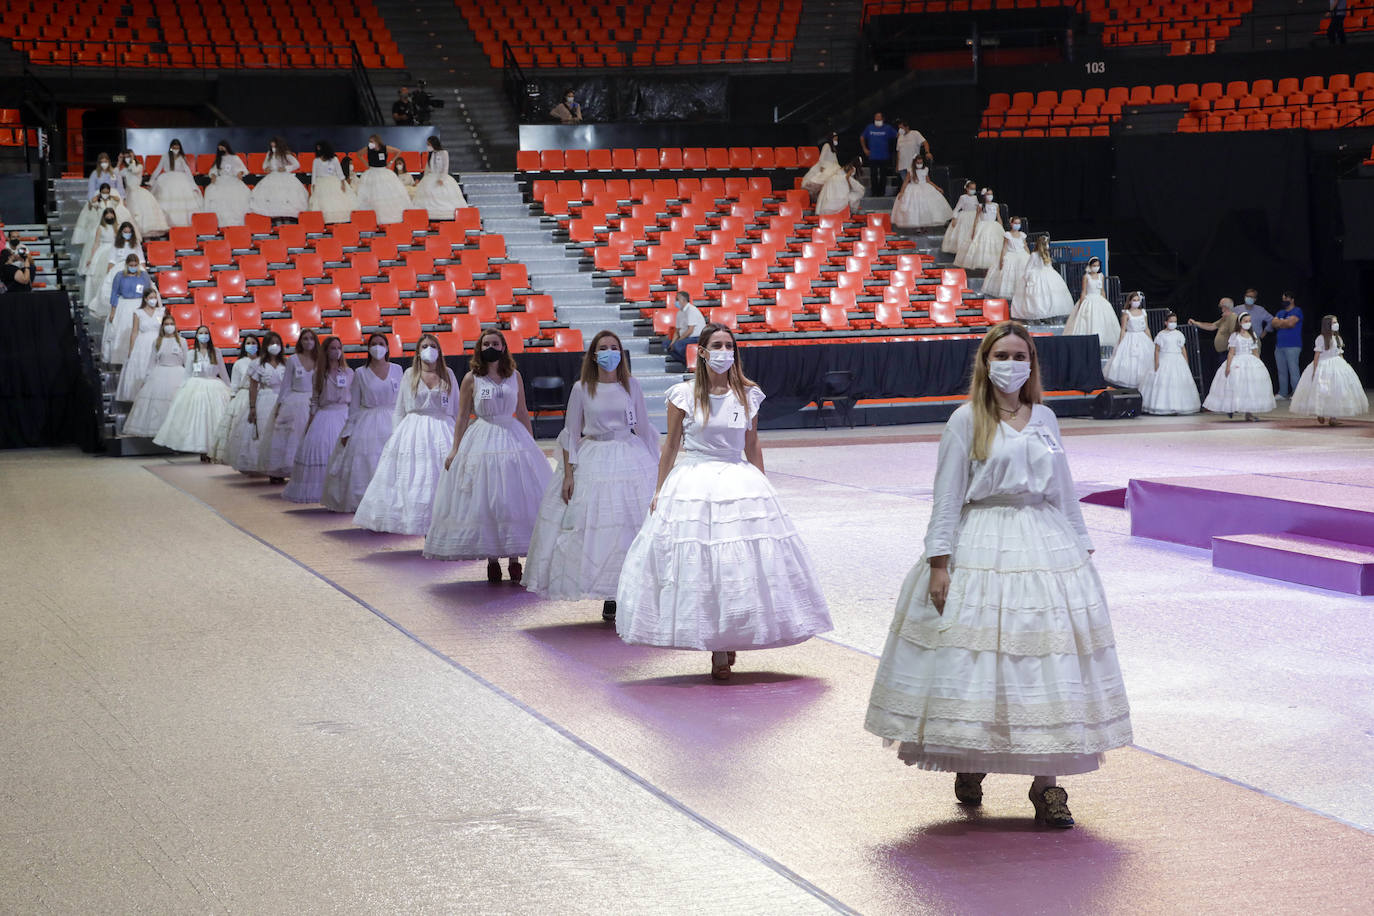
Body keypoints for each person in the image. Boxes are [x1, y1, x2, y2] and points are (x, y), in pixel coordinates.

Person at [864, 321, 1132, 829]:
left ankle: (1047, 786)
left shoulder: (1046, 418)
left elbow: (1063, 489)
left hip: (1044, 543)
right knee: (979, 657)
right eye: (1003, 354)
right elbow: (947, 495)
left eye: (1021, 355)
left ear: (1032, 363)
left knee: (1046, 661)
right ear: (986, 362)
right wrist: (938, 563)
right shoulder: (966, 420)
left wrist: (1081, 548)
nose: (1012, 364)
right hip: (982, 537)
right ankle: (972, 758)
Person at [616, 323, 833, 681]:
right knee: (704, 563)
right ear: (701, 351)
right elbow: (670, 446)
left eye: (729, 345)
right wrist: (658, 489)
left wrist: (762, 486)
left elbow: (752, 444)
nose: (723, 352)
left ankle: (731, 633)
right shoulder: (682, 395)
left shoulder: (748, 395)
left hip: (737, 477)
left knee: (738, 565)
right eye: (716, 345)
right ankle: (717, 645)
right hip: (695, 480)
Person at [524, 331, 660, 619]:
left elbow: (645, 427)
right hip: (594, 456)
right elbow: (571, 433)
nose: (609, 352)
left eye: (614, 347)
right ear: (593, 355)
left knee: (629, 525)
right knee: (599, 527)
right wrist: (569, 475)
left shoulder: (631, 385)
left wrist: (657, 467)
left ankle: (626, 590)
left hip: (629, 455)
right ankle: (607, 592)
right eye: (603, 348)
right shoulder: (581, 388)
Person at [424, 329, 551, 583]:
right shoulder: (472, 378)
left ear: (504, 347)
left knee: (513, 496)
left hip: (512, 435)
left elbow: (523, 411)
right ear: (479, 348)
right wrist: (455, 448)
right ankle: (493, 558)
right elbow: (461, 416)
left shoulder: (514, 376)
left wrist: (532, 444)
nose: (491, 346)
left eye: (495, 343)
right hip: (482, 435)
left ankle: (515, 557)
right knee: (487, 497)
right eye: (486, 343)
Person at [353, 334, 460, 535]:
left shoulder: (449, 374)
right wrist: (396, 437)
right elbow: (399, 409)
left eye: (433, 346)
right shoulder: (410, 374)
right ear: (418, 352)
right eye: (425, 346)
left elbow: (455, 408)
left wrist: (458, 438)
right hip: (413, 431)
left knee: (441, 478)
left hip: (442, 429)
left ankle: (441, 527)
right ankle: (423, 526)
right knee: (416, 479)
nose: (429, 349)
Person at [321, 333, 403, 513]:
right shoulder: (360, 372)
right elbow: (355, 406)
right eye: (373, 344)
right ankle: (368, 503)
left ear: (388, 347)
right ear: (368, 348)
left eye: (381, 344)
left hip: (393, 420)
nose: (377, 347)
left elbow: (402, 400)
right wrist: (348, 431)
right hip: (368, 423)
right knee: (367, 463)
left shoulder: (397, 369)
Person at [283, 336, 352, 503]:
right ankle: (321, 490)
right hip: (325, 416)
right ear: (326, 351)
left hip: (344, 414)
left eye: (338, 348)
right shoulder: (318, 373)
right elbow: (315, 399)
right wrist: (310, 422)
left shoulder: (350, 373)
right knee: (322, 451)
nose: (336, 351)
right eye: (332, 348)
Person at [153, 325, 232, 459]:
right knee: (200, 419)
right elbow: (187, 374)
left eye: (206, 333)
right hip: (196, 387)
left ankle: (212, 450)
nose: (204, 335)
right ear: (196, 336)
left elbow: (223, 372)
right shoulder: (191, 353)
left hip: (214, 386)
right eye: (201, 333)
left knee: (215, 419)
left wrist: (230, 389)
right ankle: (203, 451)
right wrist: (181, 391)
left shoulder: (216, 352)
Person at [261, 327, 318, 483]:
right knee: (289, 437)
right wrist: (279, 405)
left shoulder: (320, 360)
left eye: (311, 339)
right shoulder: (293, 360)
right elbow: (286, 385)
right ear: (300, 341)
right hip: (294, 402)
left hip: (313, 401)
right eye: (305, 339)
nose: (308, 342)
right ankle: (281, 471)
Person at [229, 331, 289, 474]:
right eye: (271, 343)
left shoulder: (286, 363)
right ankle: (261, 464)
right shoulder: (257, 364)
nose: (274, 346)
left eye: (277, 343)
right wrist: (252, 407)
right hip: (265, 400)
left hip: (282, 400)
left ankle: (278, 467)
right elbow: (253, 387)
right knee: (262, 432)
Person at [1290, 315, 1366, 425]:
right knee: (1323, 390)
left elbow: (1339, 353)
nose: (1336, 324)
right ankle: (1320, 412)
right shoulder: (1321, 338)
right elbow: (1317, 355)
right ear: (1327, 325)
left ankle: (1333, 417)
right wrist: (1315, 370)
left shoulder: (1338, 338)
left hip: (1337, 365)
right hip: (1324, 366)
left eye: (1336, 322)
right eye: (1334, 322)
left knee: (1336, 391)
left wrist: (1345, 366)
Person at [1202, 311, 1275, 421]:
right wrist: (1228, 366)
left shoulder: (1252, 335)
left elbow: (1255, 351)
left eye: (1249, 321)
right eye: (1246, 321)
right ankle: (1231, 407)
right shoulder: (1235, 336)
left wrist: (1260, 364)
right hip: (1238, 361)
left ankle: (1249, 413)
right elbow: (1231, 352)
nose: (1248, 323)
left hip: (1250, 362)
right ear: (1240, 322)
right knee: (1234, 386)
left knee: (1250, 388)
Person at [122, 316, 188, 437]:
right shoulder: (157, 341)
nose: (169, 326)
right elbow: (151, 363)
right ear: (162, 326)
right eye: (166, 324)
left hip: (178, 373)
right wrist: (146, 379)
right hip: (159, 374)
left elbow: (187, 361)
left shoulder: (182, 341)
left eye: (171, 323)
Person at [210, 336, 260, 463]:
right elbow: (235, 383)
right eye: (248, 343)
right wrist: (233, 398)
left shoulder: (262, 362)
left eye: (254, 343)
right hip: (243, 396)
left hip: (261, 396)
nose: (251, 345)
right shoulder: (239, 363)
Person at [1140, 312, 1201, 415]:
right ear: (1166, 322)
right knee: (1164, 382)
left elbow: (1183, 349)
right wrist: (1156, 362)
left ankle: (1179, 406)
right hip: (1165, 359)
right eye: (1171, 321)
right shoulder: (1161, 334)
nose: (1173, 323)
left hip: (1178, 360)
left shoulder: (1179, 334)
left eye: (1175, 321)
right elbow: (1157, 350)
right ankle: (1163, 406)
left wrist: (1186, 362)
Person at [104, 253, 155, 366]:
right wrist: (113, 311)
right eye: (131, 265)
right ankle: (120, 359)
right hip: (124, 306)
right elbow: (115, 293)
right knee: (122, 332)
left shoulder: (144, 276)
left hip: (140, 305)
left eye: (135, 264)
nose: (133, 267)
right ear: (127, 265)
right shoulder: (119, 276)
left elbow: (149, 293)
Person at [113, 288, 163, 400]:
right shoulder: (138, 313)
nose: (153, 300)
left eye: (155, 298)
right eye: (151, 298)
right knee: (142, 368)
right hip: (142, 344)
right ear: (145, 299)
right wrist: (131, 349)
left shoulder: (161, 312)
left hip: (158, 342)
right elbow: (134, 332)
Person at [1062, 257, 1118, 351]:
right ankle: (1089, 346)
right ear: (1090, 266)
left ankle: (1101, 347)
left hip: (1100, 300)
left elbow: (1102, 290)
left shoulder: (1101, 276)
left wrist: (1106, 303)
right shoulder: (1086, 277)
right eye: (1094, 265)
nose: (1096, 267)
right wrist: (1081, 304)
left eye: (1097, 265)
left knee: (1102, 322)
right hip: (1089, 300)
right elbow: (1083, 291)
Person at [1012, 236, 1074, 321]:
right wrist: (1027, 279)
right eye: (1046, 244)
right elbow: (1028, 268)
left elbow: (1049, 266)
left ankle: (1050, 315)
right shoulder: (1034, 255)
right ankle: (1038, 317)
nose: (1048, 245)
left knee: (1051, 296)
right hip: (1036, 277)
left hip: (1048, 275)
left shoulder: (1047, 254)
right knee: (1038, 298)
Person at [354, 135, 412, 225]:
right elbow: (358, 154)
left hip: (383, 171)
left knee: (386, 194)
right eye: (370, 141)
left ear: (377, 141)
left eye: (372, 141)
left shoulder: (385, 148)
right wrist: (365, 163)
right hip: (372, 172)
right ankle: (370, 218)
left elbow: (398, 151)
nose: (370, 143)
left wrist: (391, 162)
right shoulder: (368, 149)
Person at [1102, 292, 1154, 388]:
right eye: (1134, 300)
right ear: (1130, 301)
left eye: (1138, 300)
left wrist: (1151, 340)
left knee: (1144, 360)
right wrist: (1120, 343)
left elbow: (1146, 328)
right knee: (1131, 361)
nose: (1136, 302)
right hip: (1130, 338)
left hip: (1143, 338)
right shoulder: (1126, 313)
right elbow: (1123, 329)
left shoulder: (1143, 312)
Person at [91, 221, 143, 314]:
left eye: (129, 232)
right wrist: (108, 274)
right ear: (121, 233)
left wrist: (144, 272)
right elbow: (112, 260)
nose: (127, 234)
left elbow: (141, 260)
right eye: (125, 232)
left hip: (135, 266)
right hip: (119, 267)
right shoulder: (116, 243)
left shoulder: (136, 243)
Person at [1187, 298, 1239, 390]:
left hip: (1227, 354)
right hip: (1221, 354)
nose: (1220, 308)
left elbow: (1234, 335)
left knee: (1227, 376)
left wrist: (1232, 352)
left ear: (1225, 307)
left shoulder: (1233, 318)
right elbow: (1211, 326)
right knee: (1222, 377)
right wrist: (1196, 323)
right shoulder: (1224, 318)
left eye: (1221, 306)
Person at [250, 137, 307, 220]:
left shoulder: (285, 153)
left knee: (284, 198)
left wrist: (286, 168)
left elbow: (296, 164)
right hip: (272, 176)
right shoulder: (269, 153)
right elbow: (264, 165)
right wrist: (267, 168)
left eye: (274, 143)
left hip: (284, 176)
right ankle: (277, 220)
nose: (272, 145)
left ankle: (287, 220)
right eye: (271, 143)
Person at [412, 136, 468, 220]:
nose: (428, 146)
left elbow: (445, 167)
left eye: (429, 144)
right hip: (430, 177)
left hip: (441, 177)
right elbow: (427, 168)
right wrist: (423, 179)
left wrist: (442, 179)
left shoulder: (444, 153)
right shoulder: (430, 154)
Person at [149, 139, 201, 227]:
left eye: (177, 146)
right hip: (167, 179)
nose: (176, 148)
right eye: (174, 146)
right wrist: (151, 181)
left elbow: (187, 171)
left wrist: (193, 184)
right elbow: (158, 169)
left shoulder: (181, 157)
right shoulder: (165, 156)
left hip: (181, 179)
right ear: (171, 147)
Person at [117, 150, 169, 239]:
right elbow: (115, 174)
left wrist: (132, 160)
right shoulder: (125, 170)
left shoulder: (139, 166)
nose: (127, 159)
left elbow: (134, 170)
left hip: (138, 192)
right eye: (125, 157)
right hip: (128, 193)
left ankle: (146, 240)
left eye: (128, 156)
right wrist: (119, 161)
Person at [891, 160, 952, 229]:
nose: (919, 164)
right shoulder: (910, 170)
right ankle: (918, 227)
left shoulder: (925, 169)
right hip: (913, 189)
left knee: (927, 207)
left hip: (925, 188)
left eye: (921, 163)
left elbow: (928, 181)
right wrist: (902, 192)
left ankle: (924, 226)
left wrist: (937, 188)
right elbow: (905, 182)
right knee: (915, 208)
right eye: (918, 163)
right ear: (914, 163)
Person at [204, 140, 252, 227]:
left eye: (222, 147)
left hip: (232, 180)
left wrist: (240, 173)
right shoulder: (218, 159)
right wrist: (213, 176)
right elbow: (213, 170)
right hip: (221, 180)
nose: (221, 149)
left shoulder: (235, 158)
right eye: (219, 148)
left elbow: (241, 169)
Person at [954, 188, 1003, 271]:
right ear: (984, 196)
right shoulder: (980, 206)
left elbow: (998, 217)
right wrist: (974, 230)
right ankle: (984, 268)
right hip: (983, 226)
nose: (990, 196)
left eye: (991, 194)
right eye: (988, 194)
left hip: (994, 227)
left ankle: (992, 267)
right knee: (983, 246)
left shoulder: (996, 205)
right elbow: (976, 218)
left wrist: (1001, 228)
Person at [981, 217, 1030, 301]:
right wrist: (1001, 260)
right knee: (1010, 276)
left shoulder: (1022, 235)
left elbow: (1025, 246)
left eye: (1019, 223)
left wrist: (1030, 257)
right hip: (1011, 255)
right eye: (1015, 223)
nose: (1017, 225)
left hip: (1022, 255)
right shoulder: (1008, 234)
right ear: (1011, 224)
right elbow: (1004, 248)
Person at [73, 180, 131, 248]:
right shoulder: (98, 203)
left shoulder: (112, 202)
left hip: (112, 224)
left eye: (107, 192)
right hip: (100, 224)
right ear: (100, 192)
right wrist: (98, 196)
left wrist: (110, 195)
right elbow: (92, 201)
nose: (105, 194)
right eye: (103, 192)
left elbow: (118, 199)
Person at [308, 141, 354, 224]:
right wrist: (313, 185)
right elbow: (314, 174)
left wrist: (343, 183)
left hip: (333, 182)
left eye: (320, 147)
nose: (319, 149)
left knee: (336, 202)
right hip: (321, 183)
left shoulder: (334, 159)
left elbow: (339, 172)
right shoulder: (316, 160)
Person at [1271, 292, 1303, 400]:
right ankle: (1283, 392)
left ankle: (1296, 393)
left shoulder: (1297, 311)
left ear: (1292, 299)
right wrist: (1284, 322)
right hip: (1279, 346)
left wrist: (1281, 322)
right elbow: (1273, 323)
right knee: (1281, 370)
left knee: (1293, 369)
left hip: (1293, 345)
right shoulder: (1280, 312)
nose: (1284, 300)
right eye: (1283, 298)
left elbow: (1291, 324)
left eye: (1286, 298)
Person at [859, 112, 899, 196]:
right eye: (876, 118)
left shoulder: (887, 128)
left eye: (879, 118)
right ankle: (874, 192)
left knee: (883, 175)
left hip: (884, 156)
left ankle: (881, 192)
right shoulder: (869, 127)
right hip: (873, 156)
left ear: (883, 119)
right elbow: (862, 137)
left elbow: (897, 135)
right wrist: (865, 149)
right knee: (873, 175)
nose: (877, 120)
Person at [941, 180, 979, 256]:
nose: (973, 190)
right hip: (965, 217)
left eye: (974, 189)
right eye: (971, 188)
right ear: (967, 189)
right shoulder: (963, 197)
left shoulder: (975, 197)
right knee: (964, 233)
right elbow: (957, 208)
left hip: (974, 216)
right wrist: (954, 218)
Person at [668, 290, 705, 365]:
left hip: (696, 338)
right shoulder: (679, 313)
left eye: (677, 300)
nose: (676, 302)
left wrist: (677, 341)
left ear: (684, 300)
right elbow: (677, 331)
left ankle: (694, 362)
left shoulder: (691, 310)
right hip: (685, 338)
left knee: (677, 345)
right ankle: (687, 363)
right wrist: (672, 342)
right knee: (667, 346)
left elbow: (690, 330)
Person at [801, 132, 842, 197]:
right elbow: (822, 157)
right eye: (835, 138)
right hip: (826, 166)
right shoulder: (826, 145)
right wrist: (822, 167)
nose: (836, 140)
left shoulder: (833, 148)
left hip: (832, 166)